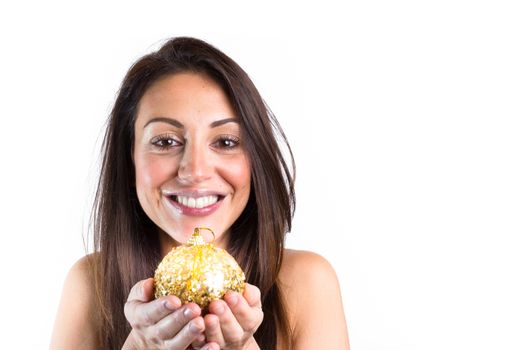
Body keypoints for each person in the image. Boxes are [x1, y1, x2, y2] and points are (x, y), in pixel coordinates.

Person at [50, 37, 350, 350]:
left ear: (255, 158)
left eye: (226, 142)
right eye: (165, 142)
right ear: (131, 157)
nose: (195, 171)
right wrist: (138, 346)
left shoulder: (307, 283)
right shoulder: (90, 284)